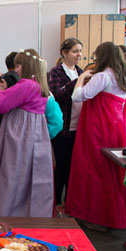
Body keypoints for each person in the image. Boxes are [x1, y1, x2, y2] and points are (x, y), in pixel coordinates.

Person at [65, 42, 126, 230]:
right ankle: (119, 215)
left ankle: (100, 218)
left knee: (97, 172)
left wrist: (81, 78)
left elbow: (78, 96)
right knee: (115, 172)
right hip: (118, 127)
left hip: (98, 128)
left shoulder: (102, 76)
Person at [0, 49, 54, 217]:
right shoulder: (39, 84)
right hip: (34, 133)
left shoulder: (27, 84)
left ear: (26, 66)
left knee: (12, 174)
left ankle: (8, 212)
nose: (16, 69)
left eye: (18, 65)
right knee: (28, 176)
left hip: (21, 134)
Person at [47, 38, 84, 217]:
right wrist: (77, 82)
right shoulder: (55, 72)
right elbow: (56, 95)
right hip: (62, 127)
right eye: (75, 51)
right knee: (61, 166)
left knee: (73, 167)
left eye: (80, 51)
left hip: (78, 125)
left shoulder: (80, 71)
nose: (79, 55)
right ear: (64, 53)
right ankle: (56, 203)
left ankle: (70, 203)